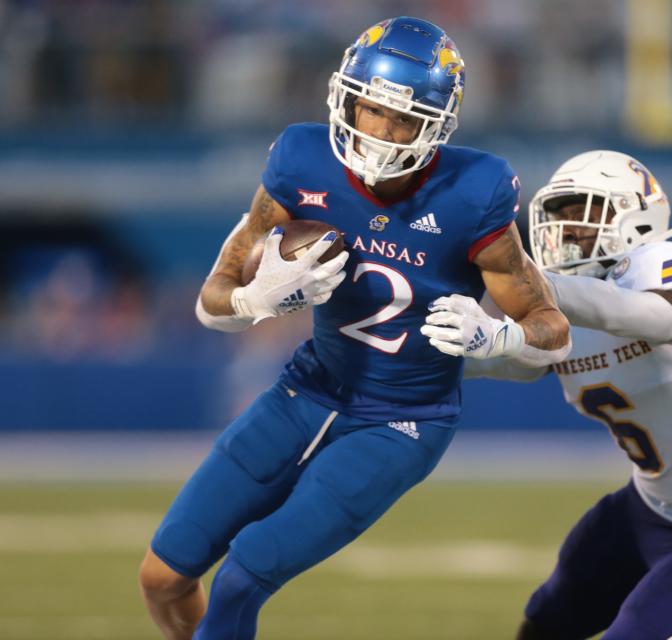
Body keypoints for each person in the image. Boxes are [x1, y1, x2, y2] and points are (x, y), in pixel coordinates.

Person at [137, 17, 570, 640]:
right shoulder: (300, 160)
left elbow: (551, 329)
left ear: (438, 126)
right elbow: (211, 303)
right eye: (371, 110)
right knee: (163, 577)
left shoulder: (472, 193)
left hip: (402, 419)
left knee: (243, 573)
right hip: (307, 388)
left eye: (405, 120)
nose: (382, 134)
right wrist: (257, 299)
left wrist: (498, 338)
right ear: (346, 98)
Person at [434, 150, 672, 639]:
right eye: (557, 218)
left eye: (582, 215)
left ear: (638, 220)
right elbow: (504, 362)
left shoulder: (665, 264)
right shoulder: (559, 309)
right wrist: (455, 340)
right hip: (642, 509)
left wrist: (535, 287)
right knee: (545, 623)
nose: (566, 232)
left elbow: (651, 315)